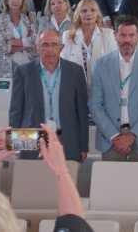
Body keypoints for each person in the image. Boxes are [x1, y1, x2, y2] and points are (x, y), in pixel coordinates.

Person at [90, 16, 138, 162]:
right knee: (111, 178)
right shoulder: (101, 65)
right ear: (115, 35)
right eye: (123, 35)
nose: (127, 40)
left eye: (131, 35)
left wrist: (133, 135)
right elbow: (95, 104)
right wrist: (114, 136)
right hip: (110, 138)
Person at [9, 29, 90, 162]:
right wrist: (15, 144)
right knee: (31, 175)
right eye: (45, 45)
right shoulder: (23, 72)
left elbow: (82, 112)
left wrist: (83, 146)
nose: (50, 49)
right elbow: (16, 111)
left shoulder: (75, 72)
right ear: (36, 48)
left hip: (67, 139)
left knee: (65, 175)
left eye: (54, 44)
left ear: (61, 47)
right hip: (31, 138)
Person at [60, 0, 118, 89]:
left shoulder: (108, 34)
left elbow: (114, 64)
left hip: (102, 88)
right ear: (78, 14)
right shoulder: (67, 35)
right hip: (75, 87)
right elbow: (64, 66)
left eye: (92, 10)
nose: (88, 14)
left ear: (97, 13)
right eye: (84, 11)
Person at [0, 0, 37, 78]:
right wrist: (26, 44)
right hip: (7, 67)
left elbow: (35, 41)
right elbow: (1, 47)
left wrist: (12, 42)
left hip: (29, 63)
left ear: (23, 0)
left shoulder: (31, 16)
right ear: (6, 0)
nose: (15, 1)